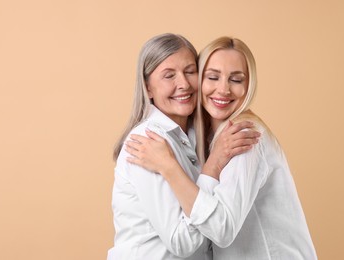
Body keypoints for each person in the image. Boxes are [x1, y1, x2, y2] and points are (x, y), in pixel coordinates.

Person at [125, 36, 317, 259]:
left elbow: (220, 229)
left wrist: (169, 167)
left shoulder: (243, 135)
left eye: (236, 80)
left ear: (248, 86)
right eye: (213, 77)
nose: (223, 89)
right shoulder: (190, 139)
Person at [108, 33, 260, 260]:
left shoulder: (193, 136)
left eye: (190, 71)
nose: (184, 84)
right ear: (148, 88)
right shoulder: (147, 142)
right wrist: (213, 164)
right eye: (169, 75)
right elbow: (182, 241)